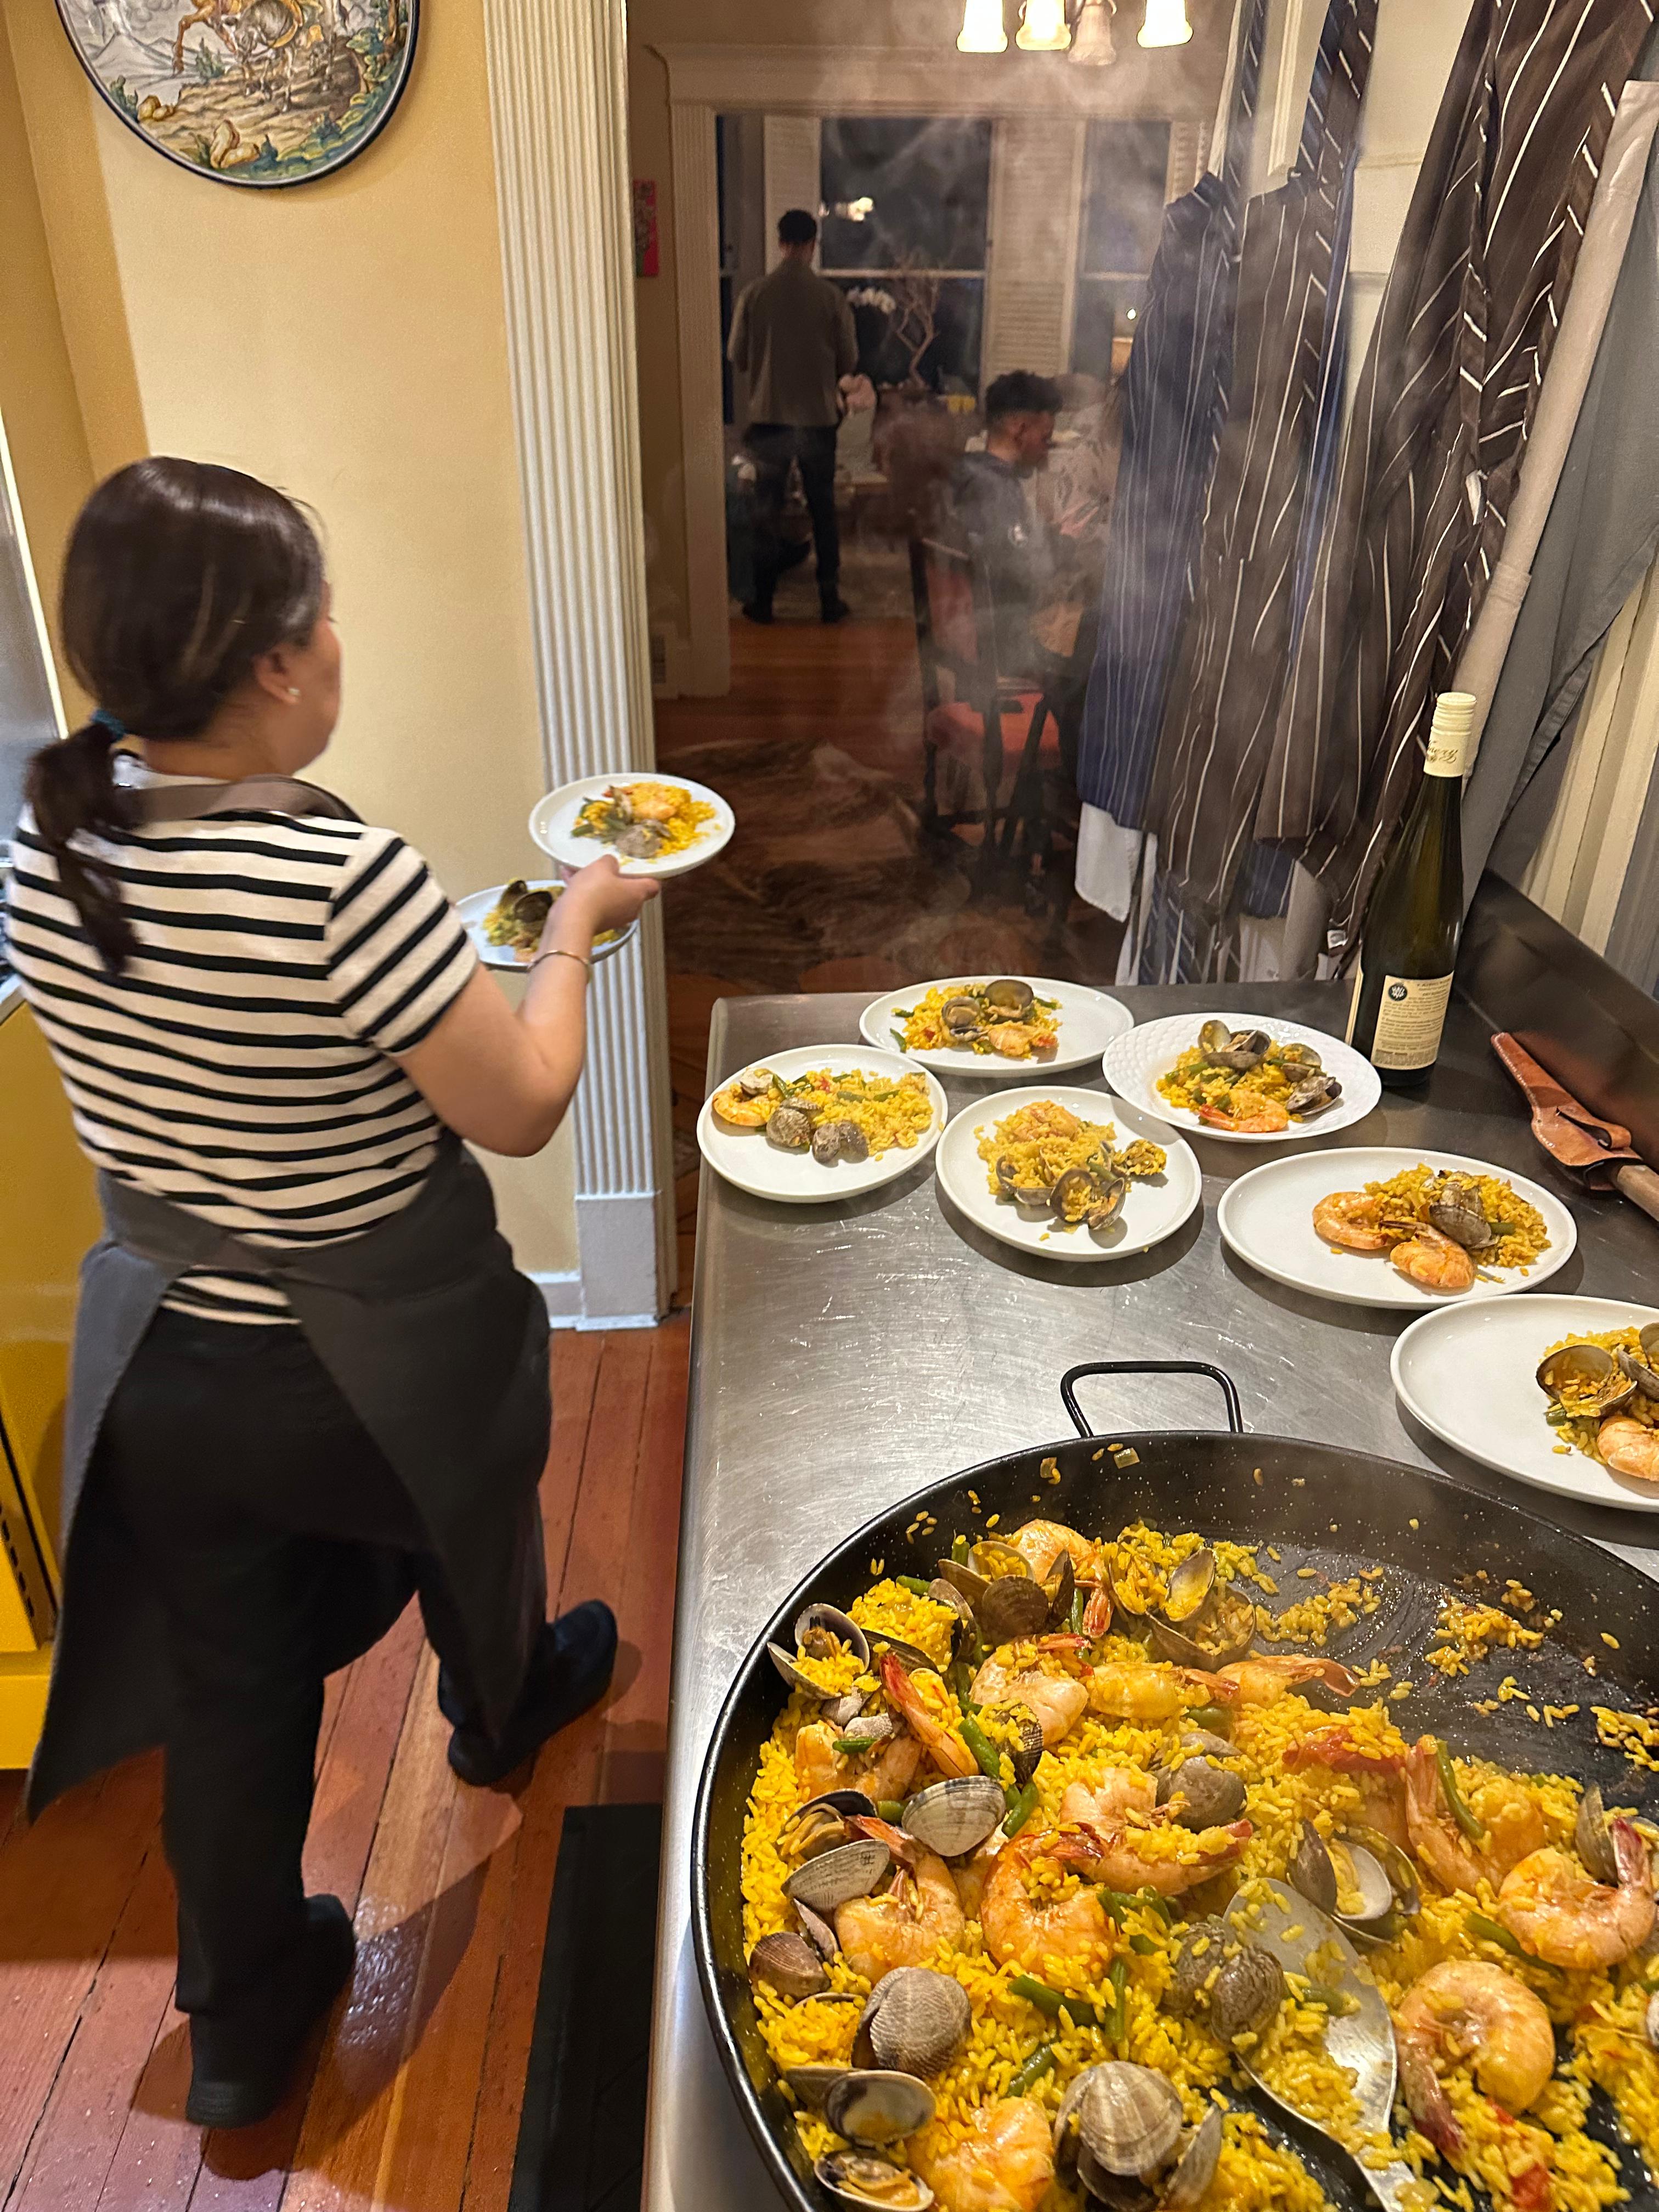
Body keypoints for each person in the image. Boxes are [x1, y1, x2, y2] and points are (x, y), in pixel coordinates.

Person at [2, 459, 658, 2131]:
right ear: (282, 665)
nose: (340, 643)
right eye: (323, 620)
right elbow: (514, 1102)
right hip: (372, 1358)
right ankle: (503, 1710)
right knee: (475, 1516)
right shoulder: (336, 878)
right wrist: (578, 930)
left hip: (169, 1366)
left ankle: (239, 2013)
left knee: (237, 1684)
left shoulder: (46, 841)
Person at [726, 208, 859, 625]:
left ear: (781, 243)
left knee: (767, 510)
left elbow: (738, 357)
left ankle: (763, 602)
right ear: (812, 245)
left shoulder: (755, 294)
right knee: (822, 509)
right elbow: (848, 360)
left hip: (769, 417)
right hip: (818, 419)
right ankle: (829, 599)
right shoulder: (831, 299)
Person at [949, 369, 1066, 682]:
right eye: (1045, 438)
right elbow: (1028, 572)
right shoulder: (996, 490)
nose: (1048, 447)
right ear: (1020, 429)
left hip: (965, 637)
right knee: (1092, 657)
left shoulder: (965, 472)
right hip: (1002, 649)